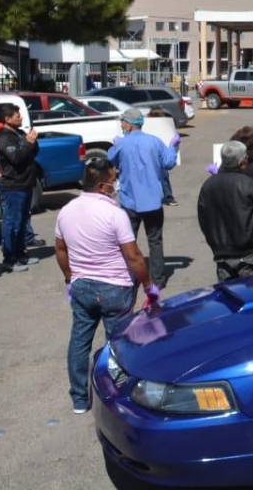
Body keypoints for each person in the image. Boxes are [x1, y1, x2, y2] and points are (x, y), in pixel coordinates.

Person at [54, 157, 157, 414]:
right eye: (113, 180)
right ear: (102, 186)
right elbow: (133, 256)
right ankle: (118, 395)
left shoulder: (67, 210)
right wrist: (148, 285)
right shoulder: (115, 214)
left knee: (79, 341)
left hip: (81, 286)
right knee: (119, 344)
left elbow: (60, 248)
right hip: (115, 288)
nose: (116, 184)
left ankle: (79, 398)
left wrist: (70, 276)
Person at [107, 108, 178, 288]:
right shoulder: (154, 142)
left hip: (129, 202)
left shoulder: (122, 144)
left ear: (129, 125)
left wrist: (115, 145)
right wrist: (173, 146)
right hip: (153, 201)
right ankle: (158, 280)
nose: (121, 125)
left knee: (127, 241)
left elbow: (111, 159)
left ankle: (129, 276)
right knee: (155, 241)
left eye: (123, 122)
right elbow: (169, 163)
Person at [197, 141, 253, 281]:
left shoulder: (207, 186)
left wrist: (216, 245)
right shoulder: (250, 185)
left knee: (231, 299)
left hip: (223, 258)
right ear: (242, 162)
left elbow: (203, 221)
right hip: (250, 257)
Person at [0, 103, 40, 272]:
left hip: (25, 184)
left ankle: (21, 255)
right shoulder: (4, 137)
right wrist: (28, 143)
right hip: (13, 186)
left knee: (21, 222)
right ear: (7, 119)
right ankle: (9, 259)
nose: (20, 118)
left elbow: (32, 152)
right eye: (17, 116)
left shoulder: (19, 133)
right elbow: (16, 158)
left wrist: (32, 141)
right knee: (11, 223)